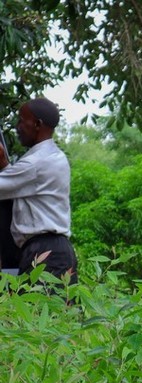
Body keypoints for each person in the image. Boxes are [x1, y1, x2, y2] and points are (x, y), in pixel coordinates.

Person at [0, 97, 77, 285]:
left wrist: (3, 167)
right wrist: (4, 165)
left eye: (21, 120)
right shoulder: (48, 157)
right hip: (48, 250)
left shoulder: (38, 162)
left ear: (37, 124)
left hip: (46, 253)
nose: (17, 127)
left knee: (45, 313)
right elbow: (14, 183)